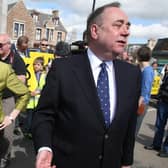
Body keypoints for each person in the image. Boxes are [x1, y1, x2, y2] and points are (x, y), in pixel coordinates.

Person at [32, 2, 141, 168]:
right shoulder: (63, 69)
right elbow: (44, 114)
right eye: (118, 25)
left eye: (127, 26)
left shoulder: (132, 74)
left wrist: (126, 161)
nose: (126, 32)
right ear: (95, 31)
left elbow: (130, 123)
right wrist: (44, 147)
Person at [0, 33, 27, 158]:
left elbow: (22, 80)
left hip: (7, 99)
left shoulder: (16, 59)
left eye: (0, 45)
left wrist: (6, 79)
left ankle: (4, 157)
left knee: (6, 131)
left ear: (8, 45)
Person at [0, 61, 29, 168]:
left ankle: (3, 158)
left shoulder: (4, 69)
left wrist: (12, 116)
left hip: (5, 109)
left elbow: (24, 93)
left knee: (6, 137)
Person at [144, 64, 168, 157]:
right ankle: (156, 145)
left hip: (164, 100)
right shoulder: (166, 73)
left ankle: (166, 149)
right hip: (163, 102)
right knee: (159, 125)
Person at [25, 57, 46, 138]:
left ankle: (35, 131)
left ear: (42, 66)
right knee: (29, 118)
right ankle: (28, 131)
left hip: (38, 101)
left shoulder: (44, 75)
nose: (35, 66)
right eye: (34, 64)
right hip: (30, 101)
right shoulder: (30, 74)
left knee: (36, 118)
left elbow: (44, 87)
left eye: (38, 64)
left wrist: (37, 92)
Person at [135, 46, 154, 136]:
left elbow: (145, 89)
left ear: (139, 56)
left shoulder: (147, 70)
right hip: (141, 102)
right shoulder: (145, 69)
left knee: (134, 129)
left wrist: (138, 103)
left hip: (141, 103)